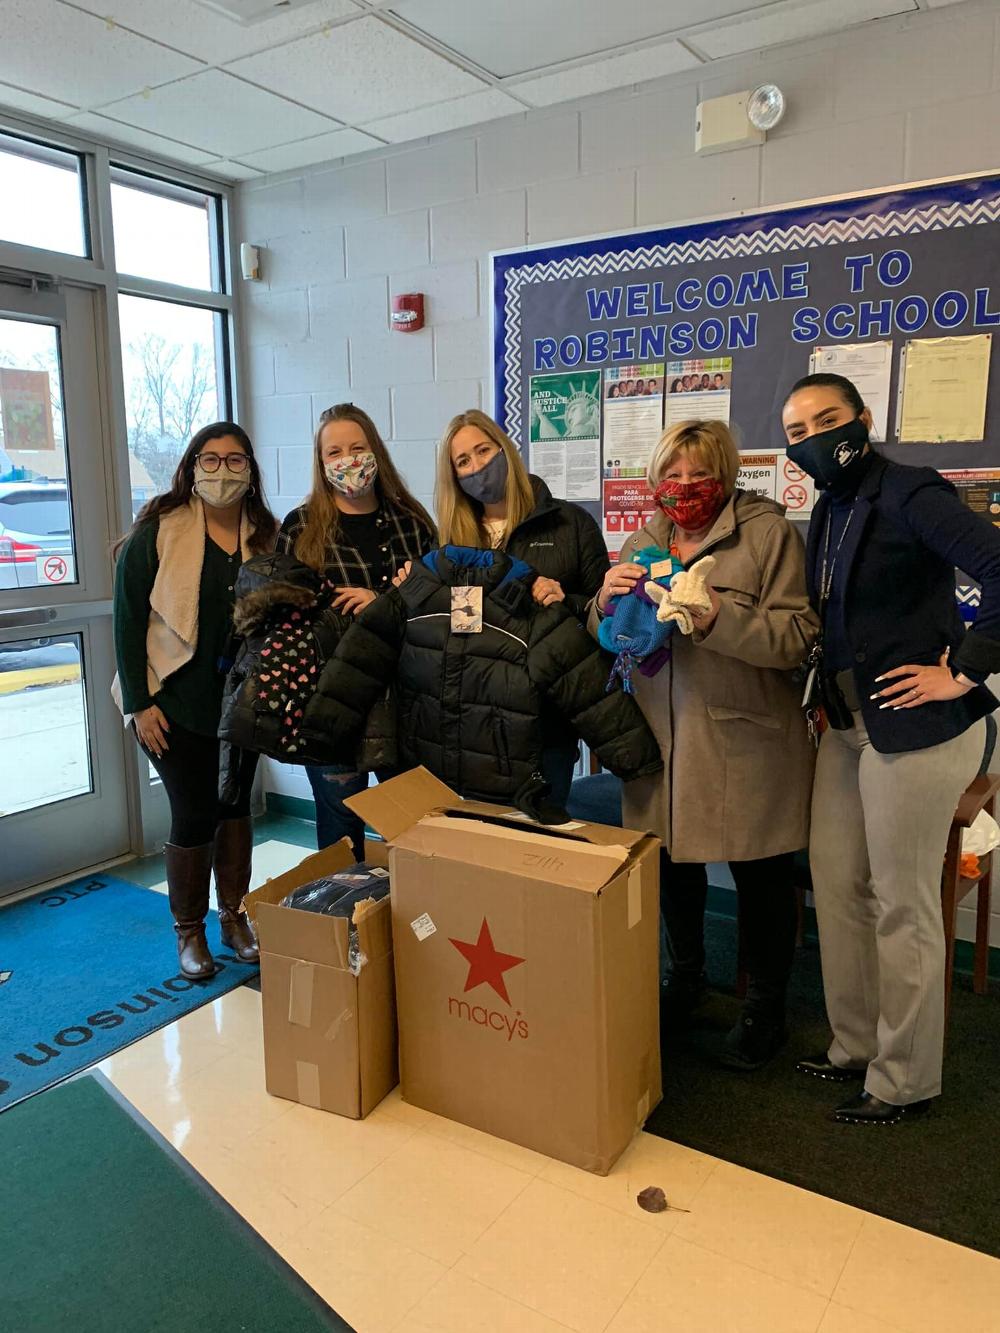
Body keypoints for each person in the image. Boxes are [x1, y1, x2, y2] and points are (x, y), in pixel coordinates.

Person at [781, 372, 1000, 1124]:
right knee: (839, 884)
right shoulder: (830, 506)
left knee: (903, 903)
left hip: (914, 729)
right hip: (846, 726)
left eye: (827, 420)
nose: (813, 438)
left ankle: (904, 1079)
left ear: (863, 419)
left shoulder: (910, 491)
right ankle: (856, 1045)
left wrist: (963, 670)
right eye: (797, 431)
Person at [590, 420, 818, 1069]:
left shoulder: (767, 534)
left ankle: (764, 1008)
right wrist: (601, 601)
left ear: (725, 474)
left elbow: (799, 637)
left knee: (761, 873)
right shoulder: (644, 537)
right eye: (672, 473)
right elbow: (608, 627)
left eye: (699, 473)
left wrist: (718, 614)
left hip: (744, 738)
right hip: (658, 736)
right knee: (671, 864)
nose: (685, 485)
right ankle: (686, 978)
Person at [112, 423, 279, 978]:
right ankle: (189, 931)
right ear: (191, 467)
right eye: (210, 459)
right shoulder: (159, 531)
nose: (222, 471)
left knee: (234, 806)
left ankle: (233, 917)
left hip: (242, 703)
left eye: (235, 460)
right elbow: (127, 618)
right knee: (194, 810)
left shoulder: (267, 536)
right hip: (170, 702)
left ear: (250, 470)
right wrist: (139, 703)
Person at [277, 403, 435, 854]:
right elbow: (285, 619)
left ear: (375, 451)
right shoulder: (300, 528)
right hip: (331, 703)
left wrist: (381, 603)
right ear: (321, 461)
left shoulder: (412, 523)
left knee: (413, 827)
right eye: (335, 452)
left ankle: (408, 903)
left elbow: (436, 605)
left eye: (357, 447)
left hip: (404, 701)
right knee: (340, 829)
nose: (347, 460)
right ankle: (345, 903)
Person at [434, 408, 610, 808]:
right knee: (489, 834)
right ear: (454, 476)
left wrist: (563, 600)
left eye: (483, 451)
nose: (477, 467)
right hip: (477, 720)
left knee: (543, 829)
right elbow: (451, 627)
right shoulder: (451, 540)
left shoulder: (569, 523)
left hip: (547, 719)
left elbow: (604, 610)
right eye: (463, 461)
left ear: (505, 449)